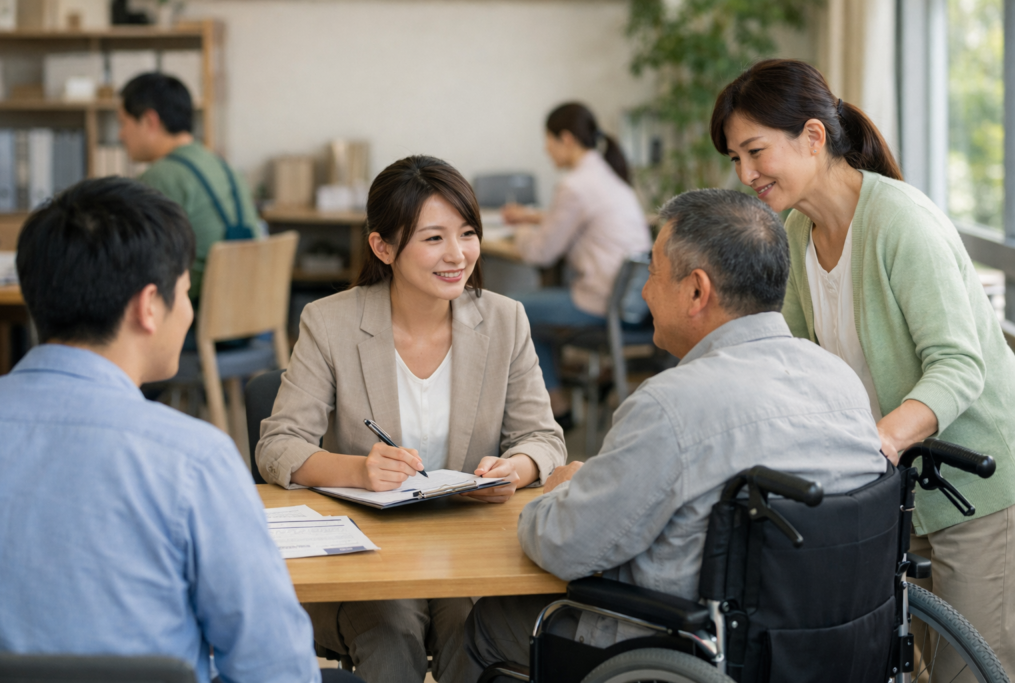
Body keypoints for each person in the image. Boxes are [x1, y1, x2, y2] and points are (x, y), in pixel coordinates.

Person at [461, 188, 887, 676]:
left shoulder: (671, 406)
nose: (644, 293)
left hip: (681, 651)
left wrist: (559, 492)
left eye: (652, 275)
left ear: (697, 291)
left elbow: (566, 546)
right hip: (826, 649)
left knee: (488, 621)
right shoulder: (840, 381)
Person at [710, 58, 1015, 673]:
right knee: (912, 662)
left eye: (754, 151)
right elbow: (789, 358)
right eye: (735, 159)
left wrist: (878, 440)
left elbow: (958, 367)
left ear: (814, 137)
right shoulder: (798, 230)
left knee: (968, 668)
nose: (745, 174)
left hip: (978, 489)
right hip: (898, 486)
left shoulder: (901, 222)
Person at [0, 177, 360, 683]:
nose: (187, 310)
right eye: (186, 292)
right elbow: (276, 670)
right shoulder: (193, 459)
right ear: (148, 307)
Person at [256, 155, 567, 683]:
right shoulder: (330, 322)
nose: (457, 255)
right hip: (367, 555)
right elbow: (279, 445)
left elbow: (543, 438)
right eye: (433, 239)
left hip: (467, 550)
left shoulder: (505, 319)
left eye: (467, 233)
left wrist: (512, 471)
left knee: (470, 631)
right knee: (392, 632)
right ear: (383, 247)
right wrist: (356, 470)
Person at [501, 102, 652, 424]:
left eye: (549, 142)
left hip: (600, 302)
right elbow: (572, 218)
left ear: (566, 139)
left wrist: (523, 231)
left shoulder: (574, 185)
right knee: (532, 318)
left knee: (510, 310)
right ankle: (560, 399)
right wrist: (534, 216)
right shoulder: (608, 178)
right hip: (633, 304)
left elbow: (541, 253)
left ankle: (557, 403)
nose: (546, 150)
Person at [119, 72, 259, 303]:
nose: (120, 134)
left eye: (124, 123)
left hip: (198, 316)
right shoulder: (221, 165)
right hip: (249, 310)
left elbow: (134, 261)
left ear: (149, 121)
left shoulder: (159, 177)